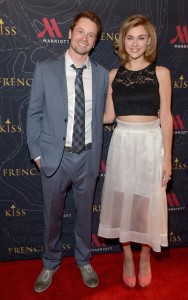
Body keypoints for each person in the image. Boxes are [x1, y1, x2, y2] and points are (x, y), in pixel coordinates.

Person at [26, 11, 108, 293]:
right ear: (70, 33)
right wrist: (36, 153)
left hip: (87, 156)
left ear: (95, 42)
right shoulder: (45, 68)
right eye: (81, 31)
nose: (85, 38)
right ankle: (50, 262)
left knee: (85, 214)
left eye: (91, 35)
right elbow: (34, 114)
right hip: (54, 157)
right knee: (52, 215)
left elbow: (102, 115)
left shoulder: (101, 75)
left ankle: (84, 260)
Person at [98, 14, 173, 288]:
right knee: (123, 204)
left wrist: (167, 159)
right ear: (122, 41)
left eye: (141, 37)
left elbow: (166, 116)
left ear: (149, 41)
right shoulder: (113, 75)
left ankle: (145, 257)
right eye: (130, 37)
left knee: (145, 206)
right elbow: (108, 116)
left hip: (151, 144)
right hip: (123, 143)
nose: (135, 43)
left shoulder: (161, 73)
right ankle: (127, 255)